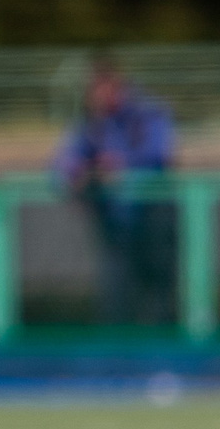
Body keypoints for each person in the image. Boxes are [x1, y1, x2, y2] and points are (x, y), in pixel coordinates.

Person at [52, 60, 175, 325]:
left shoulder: (147, 114)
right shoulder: (92, 123)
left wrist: (123, 169)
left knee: (157, 299)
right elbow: (62, 163)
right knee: (116, 300)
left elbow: (158, 159)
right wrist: (77, 175)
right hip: (114, 227)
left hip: (152, 221)